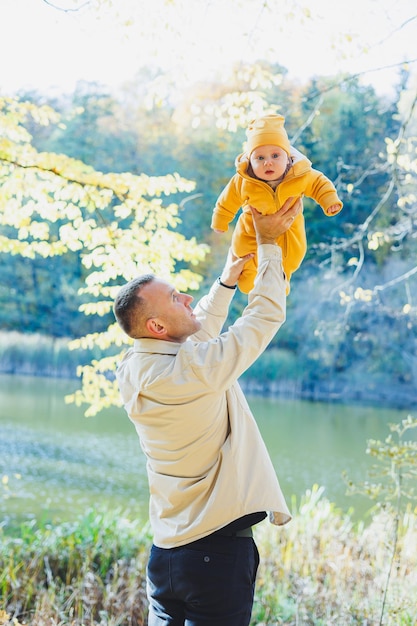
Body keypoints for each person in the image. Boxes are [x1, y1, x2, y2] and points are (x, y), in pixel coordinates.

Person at [113, 196, 302, 626]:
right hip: (214, 557)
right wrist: (270, 246)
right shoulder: (192, 371)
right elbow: (265, 316)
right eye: (176, 298)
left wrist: (226, 282)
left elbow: (191, 338)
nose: (186, 297)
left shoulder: (134, 367)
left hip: (166, 557)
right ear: (158, 327)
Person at [211, 113, 343, 293]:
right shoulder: (244, 180)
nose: (268, 163)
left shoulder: (299, 175)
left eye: (275, 155)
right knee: (247, 259)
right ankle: (250, 283)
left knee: (289, 260)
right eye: (260, 158)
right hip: (251, 235)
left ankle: (282, 282)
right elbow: (227, 200)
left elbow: (319, 183)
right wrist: (220, 220)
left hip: (289, 235)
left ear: (288, 157)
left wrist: (329, 200)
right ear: (250, 161)